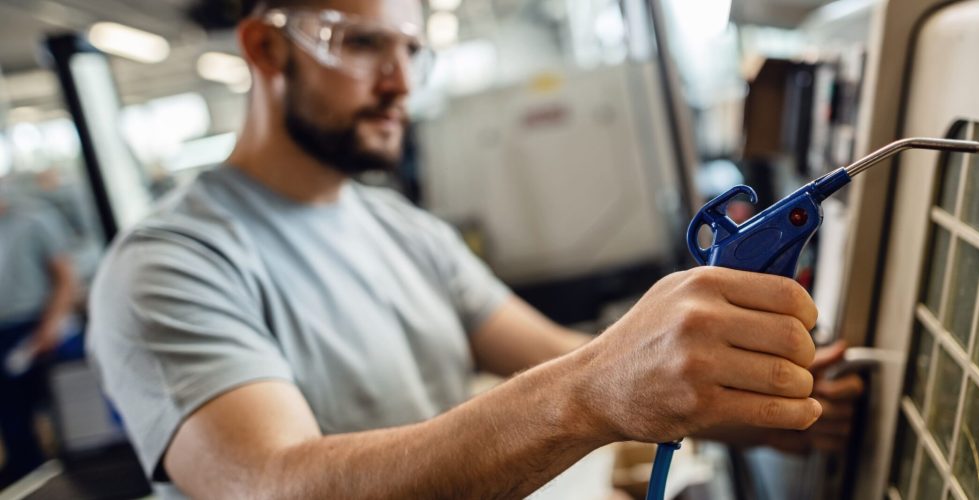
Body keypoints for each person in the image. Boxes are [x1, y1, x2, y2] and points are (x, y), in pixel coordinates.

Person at [86, 0, 863, 497]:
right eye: (362, 45)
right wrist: (593, 391)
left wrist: (753, 404)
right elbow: (272, 486)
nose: (398, 81)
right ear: (264, 47)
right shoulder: (170, 265)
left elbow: (560, 352)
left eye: (411, 50)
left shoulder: (399, 228)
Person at [0, 183, 77, 486]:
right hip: (2, 332)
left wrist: (51, 326)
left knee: (62, 411)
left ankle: (76, 477)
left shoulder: (35, 219)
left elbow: (65, 278)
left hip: (36, 326)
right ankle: (27, 476)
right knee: (12, 416)